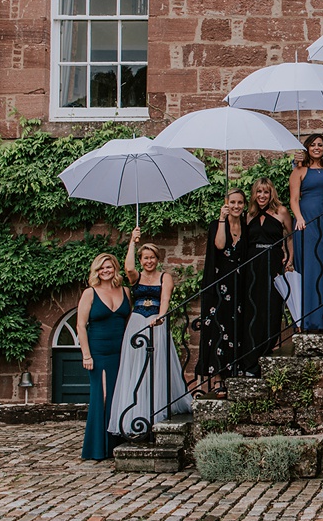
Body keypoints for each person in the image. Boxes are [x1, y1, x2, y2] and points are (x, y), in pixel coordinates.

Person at [108, 230, 192, 437]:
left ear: (157, 259)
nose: (149, 261)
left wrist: (161, 317)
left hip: (156, 321)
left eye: (152, 258)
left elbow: (164, 300)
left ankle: (157, 411)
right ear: (141, 259)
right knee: (136, 365)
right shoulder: (136, 277)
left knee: (155, 365)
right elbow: (128, 267)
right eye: (145, 258)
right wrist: (132, 241)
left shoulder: (165, 277)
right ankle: (135, 411)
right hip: (137, 322)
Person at [76, 253, 130, 461]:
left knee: (118, 396)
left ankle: (115, 443)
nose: (105, 271)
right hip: (98, 351)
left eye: (109, 267)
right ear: (96, 271)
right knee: (103, 396)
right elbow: (81, 326)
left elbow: (128, 321)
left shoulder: (124, 291)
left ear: (115, 268)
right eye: (101, 268)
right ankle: (97, 448)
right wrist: (86, 355)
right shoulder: (90, 293)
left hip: (120, 351)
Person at [198, 188, 247, 391]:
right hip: (218, 284)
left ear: (244, 206)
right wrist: (221, 219)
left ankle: (234, 371)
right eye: (233, 202)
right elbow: (219, 245)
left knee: (235, 328)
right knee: (217, 329)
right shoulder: (216, 225)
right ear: (227, 203)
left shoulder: (246, 225)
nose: (236, 206)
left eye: (240, 203)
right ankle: (218, 379)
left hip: (239, 284)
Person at [241, 178, 293, 363]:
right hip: (253, 264)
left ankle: (270, 346)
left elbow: (290, 237)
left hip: (273, 261)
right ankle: (252, 353)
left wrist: (290, 258)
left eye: (266, 192)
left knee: (272, 304)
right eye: (259, 192)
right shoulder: (248, 216)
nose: (262, 196)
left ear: (271, 194)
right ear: (254, 194)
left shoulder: (281, 212)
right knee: (253, 306)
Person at [289, 135, 323, 330]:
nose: (316, 148)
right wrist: (299, 218)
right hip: (306, 221)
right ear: (307, 148)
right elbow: (293, 199)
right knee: (309, 265)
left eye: (320, 145)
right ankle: (308, 319)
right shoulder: (299, 170)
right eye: (313, 145)